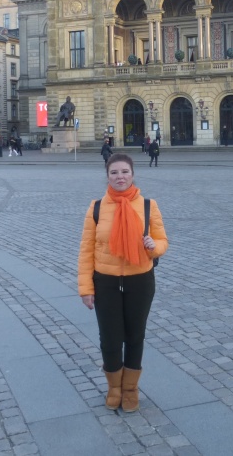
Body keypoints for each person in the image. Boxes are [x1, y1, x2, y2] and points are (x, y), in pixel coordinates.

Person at [78, 154, 168, 412]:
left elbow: (163, 241)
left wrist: (154, 246)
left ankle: (130, 389)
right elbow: (86, 250)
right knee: (109, 338)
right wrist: (86, 288)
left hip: (140, 280)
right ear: (107, 176)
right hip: (105, 281)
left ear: (132, 174)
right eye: (114, 172)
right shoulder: (96, 208)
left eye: (124, 172)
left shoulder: (149, 205)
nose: (120, 177)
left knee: (135, 336)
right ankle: (114, 387)